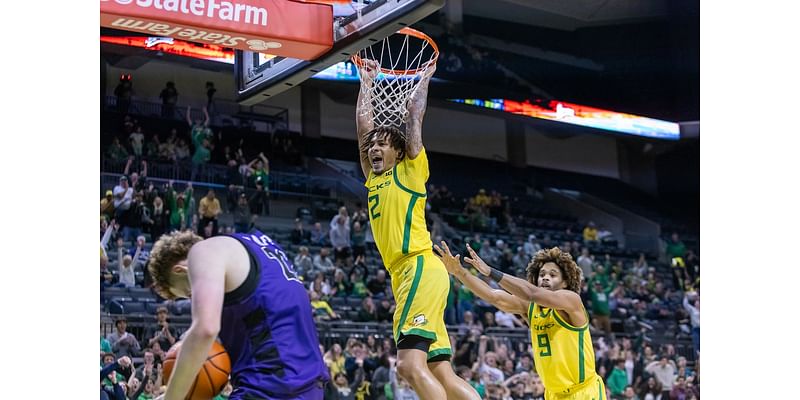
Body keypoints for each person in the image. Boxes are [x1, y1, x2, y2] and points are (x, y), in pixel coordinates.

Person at [354, 59, 478, 400]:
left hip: (418, 267)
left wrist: (423, 80)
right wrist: (366, 82)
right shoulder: (374, 178)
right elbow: (364, 129)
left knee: (408, 367)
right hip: (412, 274)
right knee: (441, 372)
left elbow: (414, 119)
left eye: (382, 145)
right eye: (373, 146)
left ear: (398, 152)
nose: (375, 149)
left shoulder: (410, 170)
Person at [147, 229, 329, 399]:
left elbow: (205, 330)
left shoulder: (203, 252)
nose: (196, 295)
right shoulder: (258, 246)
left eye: (189, 293)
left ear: (180, 270)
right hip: (308, 386)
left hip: (271, 386)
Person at [434, 243, 606, 399]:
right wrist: (459, 272)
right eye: (542, 274)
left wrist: (490, 272)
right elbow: (494, 297)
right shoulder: (530, 308)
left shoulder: (572, 301)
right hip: (553, 394)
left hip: (583, 392)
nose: (545, 278)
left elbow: (532, 293)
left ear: (565, 282)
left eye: (553, 275)